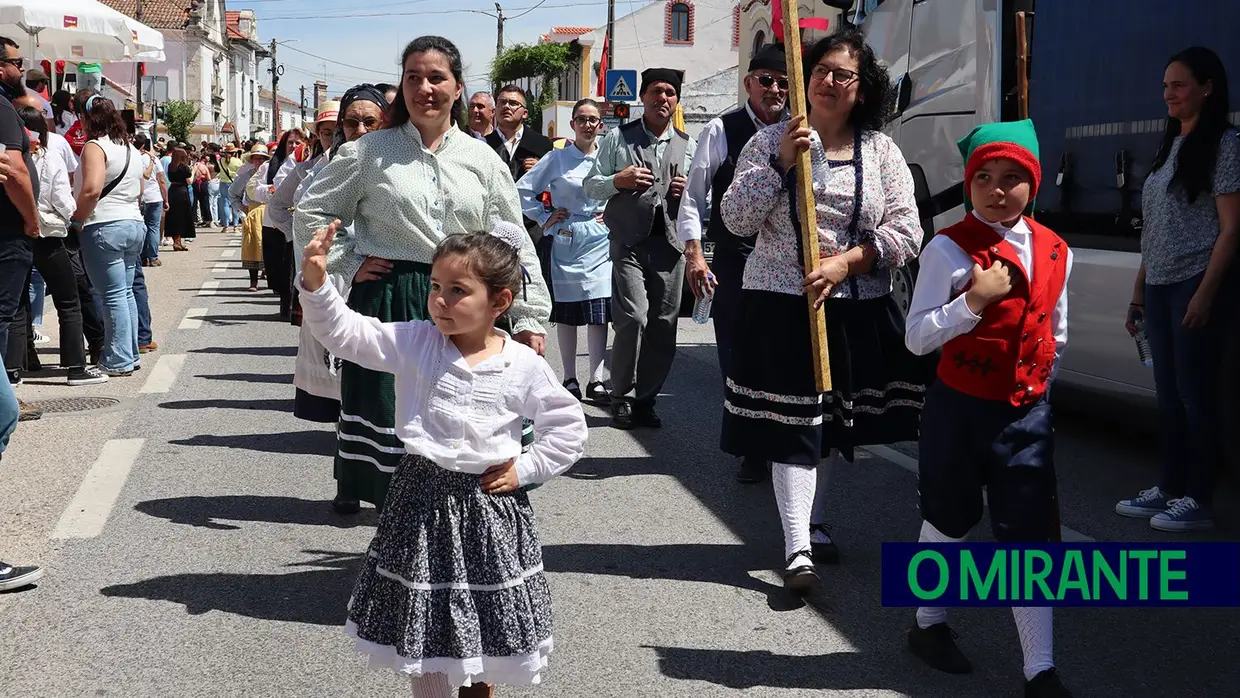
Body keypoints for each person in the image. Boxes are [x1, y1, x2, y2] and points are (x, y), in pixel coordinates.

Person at [298, 222, 586, 697]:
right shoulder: (416, 342)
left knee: (482, 624)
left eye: (458, 290)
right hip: (421, 501)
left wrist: (526, 470)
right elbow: (346, 334)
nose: (440, 300)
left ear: (500, 302)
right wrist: (316, 280)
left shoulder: (522, 364)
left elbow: (568, 427)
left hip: (488, 509)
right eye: (435, 287)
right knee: (426, 625)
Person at [294, 36, 551, 516]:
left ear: (457, 87)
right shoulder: (368, 153)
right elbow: (312, 212)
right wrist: (348, 260)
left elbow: (512, 237)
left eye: (437, 77)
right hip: (393, 298)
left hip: (469, 305)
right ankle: (398, 555)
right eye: (413, 77)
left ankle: (458, 544)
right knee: (396, 433)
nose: (424, 88)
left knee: (466, 429)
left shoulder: (482, 160)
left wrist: (529, 314)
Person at [718, 31, 931, 587]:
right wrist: (782, 163)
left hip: (853, 305)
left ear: (863, 91)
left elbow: (908, 231)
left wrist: (850, 263)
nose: (830, 82)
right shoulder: (768, 141)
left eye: (844, 75)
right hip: (781, 304)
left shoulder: (881, 150)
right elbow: (736, 220)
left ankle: (814, 525)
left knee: (829, 425)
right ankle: (796, 549)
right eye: (821, 71)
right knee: (797, 424)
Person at [903, 119, 1075, 698]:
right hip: (959, 410)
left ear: (1034, 184)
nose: (997, 190)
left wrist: (1037, 386)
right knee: (948, 519)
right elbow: (917, 337)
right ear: (969, 184)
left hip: (1025, 416)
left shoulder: (1057, 248)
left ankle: (1040, 669)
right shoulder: (948, 247)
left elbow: (1058, 326)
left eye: (1011, 178)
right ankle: (927, 624)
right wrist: (972, 302)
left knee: (1029, 537)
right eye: (984, 178)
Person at [1116, 46, 1240, 532]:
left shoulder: (1226, 145)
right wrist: (1139, 291)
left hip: (1196, 282)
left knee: (1196, 395)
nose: (1168, 93)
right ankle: (1168, 487)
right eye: (1166, 85)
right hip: (1161, 285)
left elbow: (1231, 229)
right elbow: (1156, 228)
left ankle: (1198, 498)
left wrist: (1206, 294)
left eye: (1179, 84)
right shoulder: (1170, 144)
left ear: (1208, 87)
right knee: (1166, 394)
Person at [678, 42, 789, 484]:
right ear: (749, 84)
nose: (774, 89)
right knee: (739, 354)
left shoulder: (802, 131)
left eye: (782, 82)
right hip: (736, 259)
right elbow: (694, 194)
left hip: (786, 260)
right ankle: (752, 447)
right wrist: (694, 255)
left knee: (781, 351)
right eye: (766, 81)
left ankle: (783, 436)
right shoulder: (722, 128)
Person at [583, 67, 696, 430]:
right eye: (656, 91)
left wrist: (686, 190)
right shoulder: (619, 137)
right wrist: (619, 179)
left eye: (669, 93)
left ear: (676, 100)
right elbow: (591, 186)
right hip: (629, 240)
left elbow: (700, 197)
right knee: (633, 318)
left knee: (663, 325)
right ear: (643, 96)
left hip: (670, 243)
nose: (662, 98)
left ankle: (646, 400)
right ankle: (621, 398)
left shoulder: (686, 142)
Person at [292, 85, 388, 424]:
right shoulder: (325, 167)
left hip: (372, 280)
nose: (359, 130)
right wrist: (347, 261)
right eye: (351, 123)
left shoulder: (390, 162)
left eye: (369, 122)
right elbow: (302, 216)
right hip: (338, 277)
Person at [518, 98, 612, 402]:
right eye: (581, 119)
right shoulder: (556, 159)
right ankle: (570, 377)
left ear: (600, 125)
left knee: (599, 311)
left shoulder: (609, 158)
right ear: (572, 125)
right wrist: (546, 217)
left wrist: (611, 212)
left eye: (593, 119)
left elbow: (621, 189)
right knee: (569, 312)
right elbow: (522, 190)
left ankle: (596, 380)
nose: (587, 124)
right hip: (567, 236)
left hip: (600, 239)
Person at [20, 105, 107, 385]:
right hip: (49, 234)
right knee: (69, 301)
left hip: (15, 234)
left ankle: (16, 365)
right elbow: (61, 194)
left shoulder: (9, 156)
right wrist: (76, 217)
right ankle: (76, 368)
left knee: (16, 302)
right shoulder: (50, 153)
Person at [68, 93, 145, 377]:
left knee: (112, 295)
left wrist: (77, 220)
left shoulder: (94, 147)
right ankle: (130, 354)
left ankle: (118, 359)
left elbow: (91, 190)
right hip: (132, 223)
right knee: (125, 293)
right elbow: (138, 189)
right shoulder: (130, 149)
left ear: (87, 118)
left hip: (104, 225)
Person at [0, 38, 42, 421]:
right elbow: (13, 171)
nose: (22, 69)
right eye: (18, 62)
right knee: (3, 312)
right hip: (9, 228)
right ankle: (3, 402)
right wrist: (31, 218)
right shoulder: (1, 107)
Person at [269, 106, 337, 321]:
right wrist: (297, 235)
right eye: (327, 133)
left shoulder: (364, 166)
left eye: (339, 131)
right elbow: (276, 206)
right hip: (313, 259)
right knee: (315, 333)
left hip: (352, 263)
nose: (334, 139)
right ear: (318, 135)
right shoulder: (304, 169)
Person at [254, 128, 305, 318]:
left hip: (296, 220)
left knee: (290, 265)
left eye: (297, 143)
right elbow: (253, 191)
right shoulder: (269, 167)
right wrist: (272, 191)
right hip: (274, 221)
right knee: (276, 267)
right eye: (290, 142)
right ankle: (284, 297)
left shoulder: (307, 159)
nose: (293, 146)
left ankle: (289, 302)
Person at [134, 134, 167, 267]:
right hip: (154, 197)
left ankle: (142, 257)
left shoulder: (135, 158)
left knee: (142, 228)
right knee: (153, 227)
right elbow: (162, 180)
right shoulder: (153, 160)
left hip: (140, 197)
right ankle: (153, 257)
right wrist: (166, 199)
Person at [164, 147, 194, 251]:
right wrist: (193, 170)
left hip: (172, 190)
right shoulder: (183, 167)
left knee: (173, 217)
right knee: (182, 217)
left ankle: (177, 241)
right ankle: (178, 242)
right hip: (182, 191)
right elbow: (189, 180)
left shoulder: (170, 166)